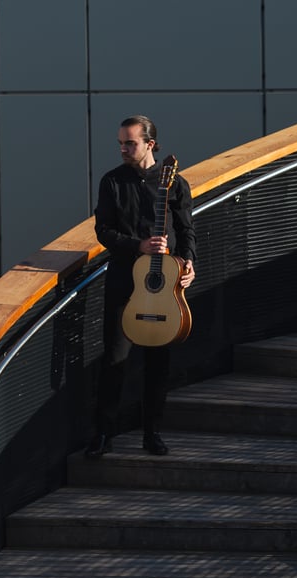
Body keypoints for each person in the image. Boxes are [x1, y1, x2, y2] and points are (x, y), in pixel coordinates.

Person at [85, 115, 196, 458]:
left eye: (130, 143)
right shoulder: (112, 182)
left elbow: (186, 229)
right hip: (124, 281)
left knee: (157, 364)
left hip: (162, 284)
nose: (123, 149)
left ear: (150, 144)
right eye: (120, 143)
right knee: (114, 360)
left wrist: (188, 263)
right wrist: (138, 246)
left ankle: (152, 434)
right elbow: (103, 231)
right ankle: (104, 435)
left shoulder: (175, 183)